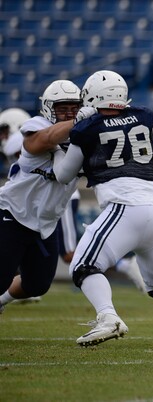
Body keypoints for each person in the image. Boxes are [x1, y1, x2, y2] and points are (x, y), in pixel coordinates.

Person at [53, 70, 153, 349]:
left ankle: (108, 317)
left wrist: (60, 149)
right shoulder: (145, 115)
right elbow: (144, 131)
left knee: (82, 264)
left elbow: (64, 174)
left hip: (125, 206)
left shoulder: (86, 128)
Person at [0, 80, 82, 313]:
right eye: (62, 108)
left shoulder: (84, 135)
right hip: (12, 213)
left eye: (74, 108)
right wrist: (78, 121)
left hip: (45, 222)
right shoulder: (37, 125)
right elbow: (43, 141)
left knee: (37, 285)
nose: (68, 113)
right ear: (48, 108)